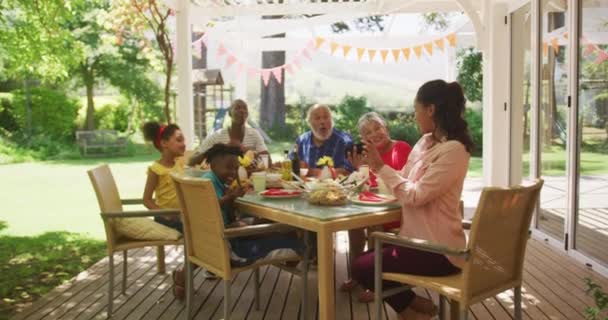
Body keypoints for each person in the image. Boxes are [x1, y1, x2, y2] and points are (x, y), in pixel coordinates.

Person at [352, 80, 473, 320]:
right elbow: (403, 180)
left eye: (416, 110)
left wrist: (379, 166)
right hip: (414, 242)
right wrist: (376, 168)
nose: (415, 116)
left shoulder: (454, 150)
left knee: (361, 267)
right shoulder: (424, 142)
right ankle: (415, 306)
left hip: (440, 250)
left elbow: (415, 196)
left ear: (430, 110)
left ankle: (411, 312)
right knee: (362, 264)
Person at [342, 112, 412, 292]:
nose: (374, 134)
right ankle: (358, 275)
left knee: (373, 224)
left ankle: (373, 284)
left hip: (399, 210)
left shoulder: (401, 148)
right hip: (375, 208)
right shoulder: (366, 155)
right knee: (354, 225)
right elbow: (366, 186)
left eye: (377, 128)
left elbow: (403, 182)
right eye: (367, 132)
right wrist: (358, 169)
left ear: (386, 128)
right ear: (363, 138)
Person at [189, 99, 269, 166]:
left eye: (245, 108)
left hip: (250, 182)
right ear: (230, 113)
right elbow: (191, 161)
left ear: (247, 114)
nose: (242, 111)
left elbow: (267, 162)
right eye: (237, 108)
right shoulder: (217, 136)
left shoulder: (254, 134)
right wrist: (213, 151)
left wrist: (244, 149)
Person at [142, 121, 186, 232]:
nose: (184, 144)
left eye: (183, 140)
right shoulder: (156, 170)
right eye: (179, 140)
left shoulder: (179, 164)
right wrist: (165, 215)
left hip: (181, 215)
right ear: (164, 143)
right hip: (165, 219)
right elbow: (146, 200)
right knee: (194, 229)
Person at [292, 104, 353, 175]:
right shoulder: (302, 140)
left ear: (332, 120)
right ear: (309, 122)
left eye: (326, 117)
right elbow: (291, 164)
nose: (322, 122)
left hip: (336, 186)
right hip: (304, 185)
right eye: (317, 118)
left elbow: (349, 172)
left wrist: (312, 172)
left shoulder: (344, 141)